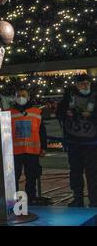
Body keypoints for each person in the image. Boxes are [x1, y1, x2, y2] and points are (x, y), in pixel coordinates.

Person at [57, 74, 97, 207]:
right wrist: (66, 112)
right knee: (75, 172)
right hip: (74, 142)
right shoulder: (68, 97)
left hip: (91, 143)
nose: (85, 86)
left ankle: (94, 200)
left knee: (93, 173)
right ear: (76, 85)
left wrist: (91, 115)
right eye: (82, 84)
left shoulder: (95, 97)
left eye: (87, 83)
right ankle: (77, 199)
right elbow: (59, 113)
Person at [9, 88, 47, 204]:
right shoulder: (8, 112)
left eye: (23, 95)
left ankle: (31, 198)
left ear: (28, 97)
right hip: (15, 152)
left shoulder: (36, 112)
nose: (21, 97)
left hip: (32, 151)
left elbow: (42, 131)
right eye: (19, 95)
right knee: (13, 177)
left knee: (32, 176)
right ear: (15, 98)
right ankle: (13, 199)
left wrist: (44, 148)